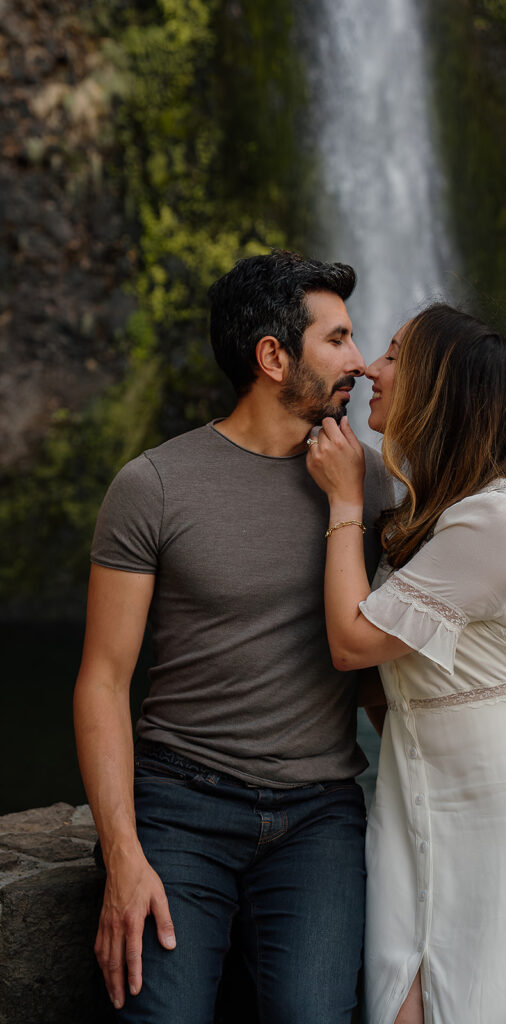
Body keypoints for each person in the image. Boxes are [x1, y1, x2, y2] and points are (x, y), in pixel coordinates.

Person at [73, 250, 392, 1024]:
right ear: (273, 357)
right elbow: (103, 681)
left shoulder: (369, 483)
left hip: (319, 814)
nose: (361, 362)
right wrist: (123, 855)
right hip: (181, 806)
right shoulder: (153, 485)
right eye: (338, 339)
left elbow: (388, 660)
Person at [306, 303, 506, 1024]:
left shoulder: (489, 520)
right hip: (413, 800)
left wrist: (344, 500)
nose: (370, 370)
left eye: (394, 356)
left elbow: (352, 643)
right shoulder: (428, 512)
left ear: (438, 386)